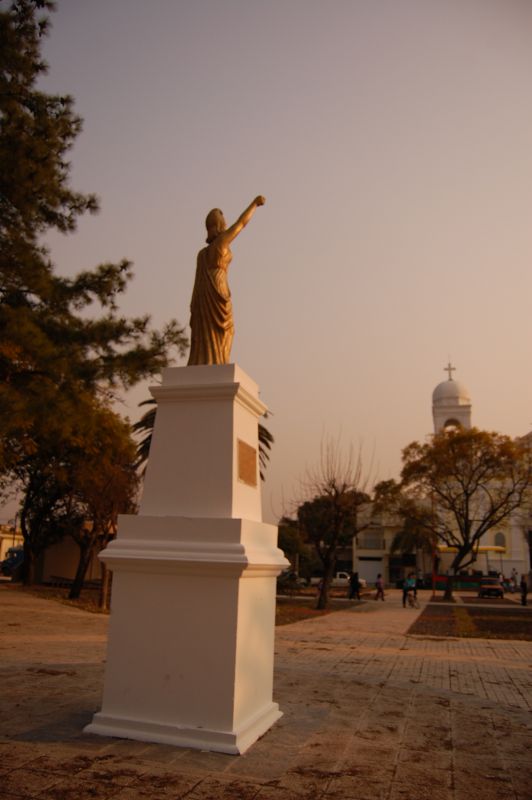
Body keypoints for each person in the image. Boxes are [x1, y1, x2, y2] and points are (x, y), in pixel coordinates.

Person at [187, 196, 265, 365]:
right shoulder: (221, 242)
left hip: (204, 292)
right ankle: (218, 362)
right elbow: (241, 224)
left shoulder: (202, 254)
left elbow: (197, 281)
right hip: (218, 286)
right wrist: (255, 204)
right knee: (226, 329)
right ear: (220, 225)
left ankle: (206, 361)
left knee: (208, 330)